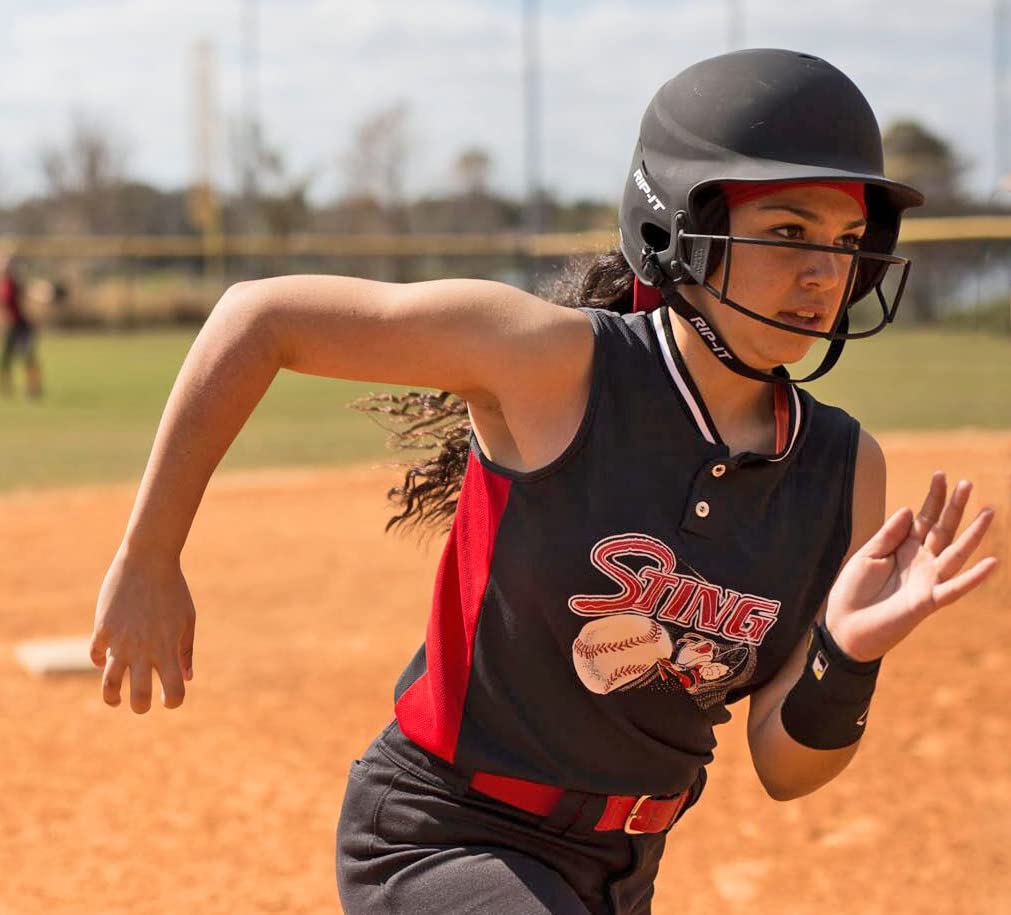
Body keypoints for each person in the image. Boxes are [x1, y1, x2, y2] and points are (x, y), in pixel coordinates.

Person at [89, 49, 998, 915]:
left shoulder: (843, 467)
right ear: (674, 231)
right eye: (788, 231)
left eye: (845, 241)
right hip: (442, 833)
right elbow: (263, 316)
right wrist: (150, 553)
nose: (822, 273)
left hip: (618, 872)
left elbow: (783, 766)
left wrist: (847, 651)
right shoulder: (553, 365)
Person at [0, 255, 43, 398]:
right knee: (6, 360)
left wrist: (43, 294)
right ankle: (6, 390)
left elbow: (32, 293)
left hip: (21, 326)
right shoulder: (3, 285)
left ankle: (33, 389)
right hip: (10, 327)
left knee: (27, 357)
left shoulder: (15, 284)